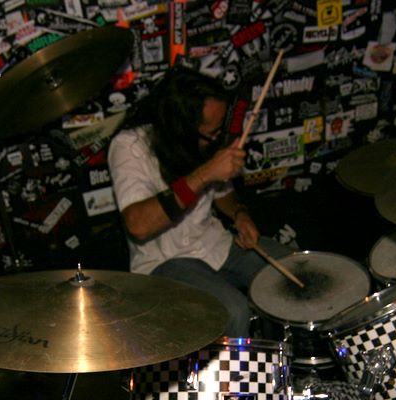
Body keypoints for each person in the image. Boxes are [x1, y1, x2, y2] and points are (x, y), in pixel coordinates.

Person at [108, 67, 289, 337]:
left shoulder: (204, 140)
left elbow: (222, 193)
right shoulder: (130, 146)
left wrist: (239, 214)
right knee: (233, 311)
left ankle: (283, 357)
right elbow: (139, 225)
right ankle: (233, 367)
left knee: (295, 271)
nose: (216, 138)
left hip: (215, 243)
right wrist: (205, 173)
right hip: (166, 259)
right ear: (181, 127)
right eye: (210, 133)